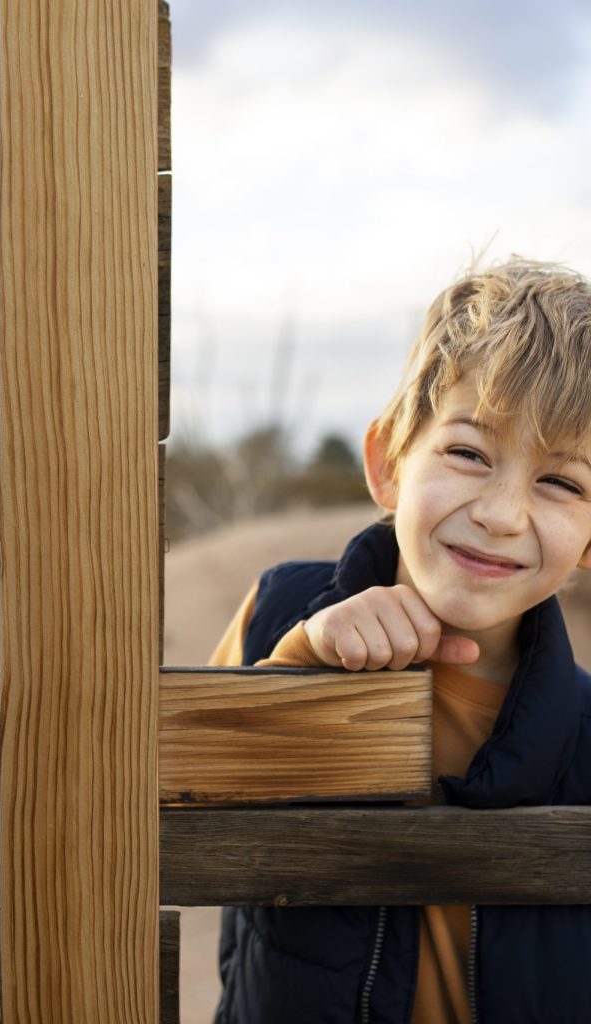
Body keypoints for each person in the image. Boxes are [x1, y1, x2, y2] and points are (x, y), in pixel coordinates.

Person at [209, 257, 591, 1024]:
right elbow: (149, 805)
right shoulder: (273, 614)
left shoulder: (587, 736)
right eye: (468, 454)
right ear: (388, 464)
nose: (502, 514)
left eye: (563, 482)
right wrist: (300, 670)